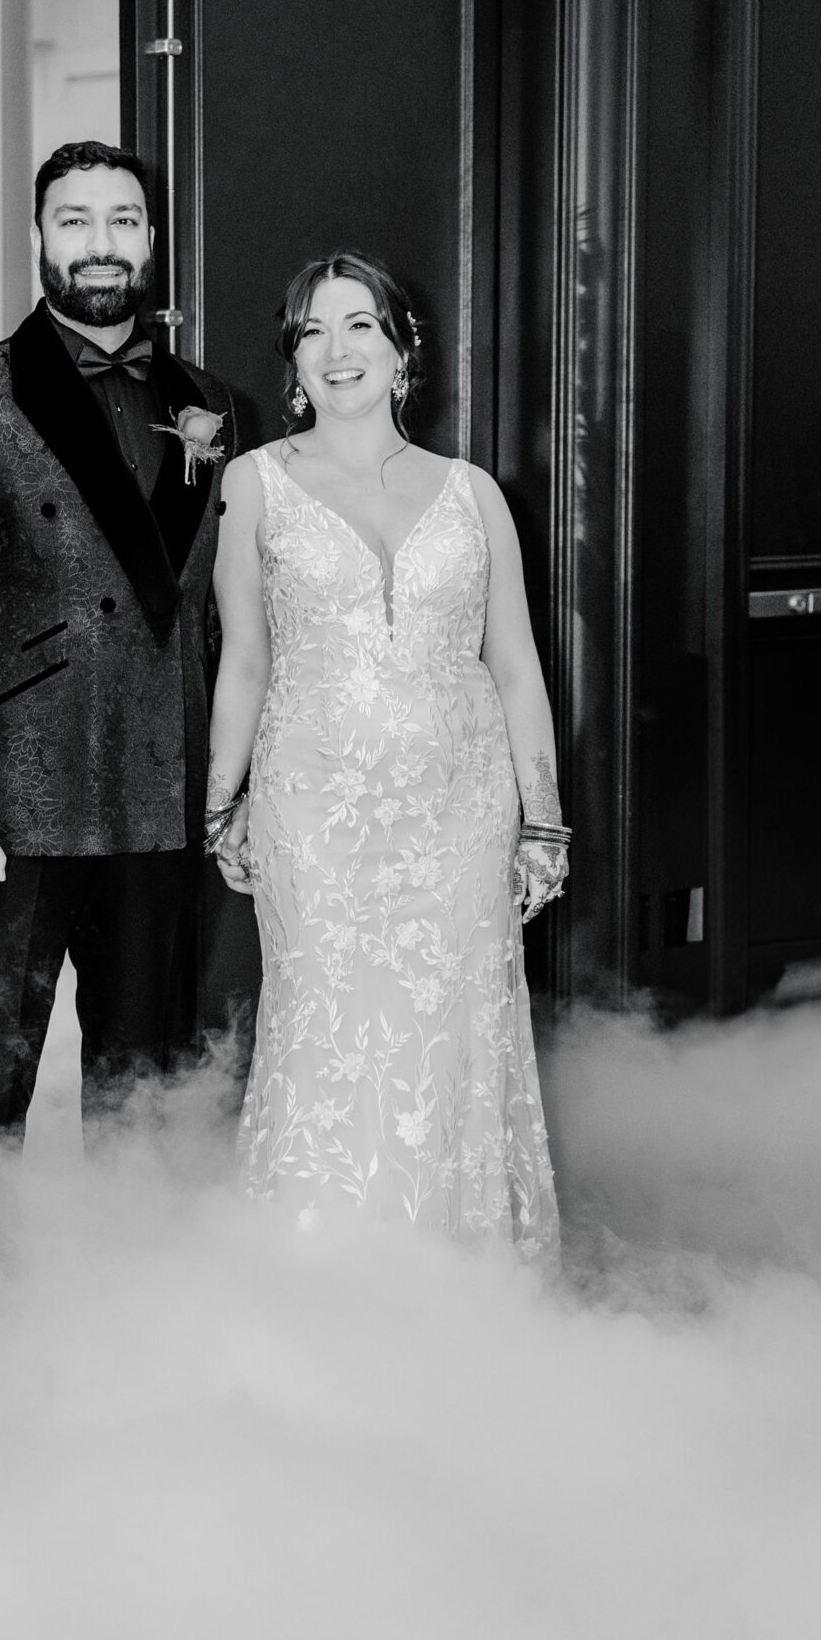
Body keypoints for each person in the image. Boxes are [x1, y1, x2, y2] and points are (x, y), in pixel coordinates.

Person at [207, 250, 563, 1254]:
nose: (335, 348)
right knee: (326, 1041)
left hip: (460, 813)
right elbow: (242, 662)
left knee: (448, 1047)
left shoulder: (473, 494)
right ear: (293, 362)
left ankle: (453, 1280)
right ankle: (319, 1285)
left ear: (401, 349)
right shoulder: (252, 486)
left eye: (358, 324)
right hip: (311, 814)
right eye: (312, 330)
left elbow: (516, 667)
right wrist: (216, 803)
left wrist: (541, 818)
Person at [0, 140, 232, 1145]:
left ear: (151, 241)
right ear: (39, 238)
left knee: (143, 1086)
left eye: (121, 221)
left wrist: (226, 783)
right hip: (18, 803)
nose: (100, 244)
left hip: (159, 797)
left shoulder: (204, 404)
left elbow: (208, 613)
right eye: (74, 221)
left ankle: (114, 1293)